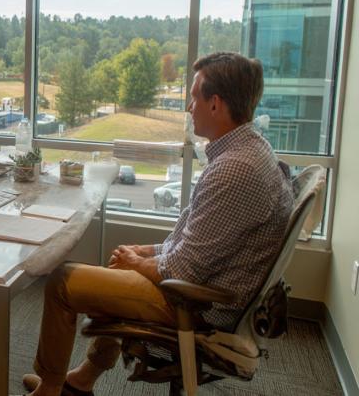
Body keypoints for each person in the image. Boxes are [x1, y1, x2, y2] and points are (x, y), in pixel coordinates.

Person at [21, 52, 293, 396]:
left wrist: (138, 262)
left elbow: (184, 267)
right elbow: (201, 241)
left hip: (195, 306)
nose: (188, 108)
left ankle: (50, 389)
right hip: (203, 287)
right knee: (120, 261)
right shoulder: (251, 151)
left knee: (62, 280)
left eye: (194, 98)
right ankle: (82, 381)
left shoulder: (234, 170)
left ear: (215, 104)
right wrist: (145, 251)